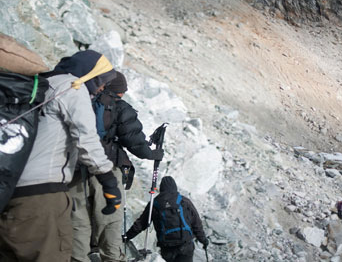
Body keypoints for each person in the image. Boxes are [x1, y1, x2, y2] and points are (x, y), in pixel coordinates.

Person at [0, 50, 121, 262]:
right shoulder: (72, 87)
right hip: (42, 197)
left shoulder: (39, 85)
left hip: (11, 190)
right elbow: (86, 138)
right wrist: (107, 179)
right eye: (101, 80)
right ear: (89, 74)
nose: (102, 88)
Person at [77, 71, 164, 262]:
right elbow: (135, 142)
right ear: (119, 91)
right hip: (106, 168)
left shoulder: (81, 100)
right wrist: (154, 154)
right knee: (109, 221)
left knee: (80, 219)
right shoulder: (119, 107)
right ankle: (112, 258)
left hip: (76, 169)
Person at [125, 176, 208, 262]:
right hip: (185, 245)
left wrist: (127, 236)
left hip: (167, 247)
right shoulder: (184, 201)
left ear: (161, 188)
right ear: (175, 187)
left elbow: (141, 224)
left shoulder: (155, 203)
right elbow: (197, 224)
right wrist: (203, 240)